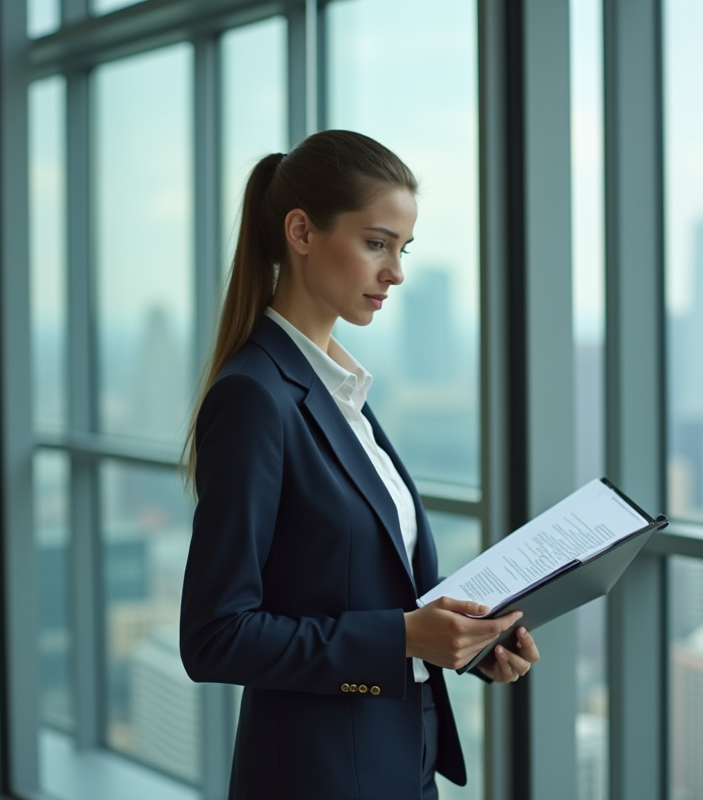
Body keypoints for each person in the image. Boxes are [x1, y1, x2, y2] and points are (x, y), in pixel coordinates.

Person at [179, 129, 541, 800]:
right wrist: (403, 637)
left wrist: (469, 639)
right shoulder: (255, 398)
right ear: (301, 232)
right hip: (318, 776)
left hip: (402, 757)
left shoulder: (340, 392)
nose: (396, 272)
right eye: (376, 243)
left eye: (403, 249)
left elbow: (363, 583)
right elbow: (215, 637)